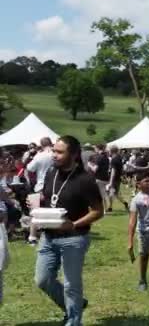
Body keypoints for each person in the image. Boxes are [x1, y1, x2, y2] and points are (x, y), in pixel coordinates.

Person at [35, 135, 104, 325]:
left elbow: (98, 211)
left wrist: (74, 224)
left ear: (74, 155)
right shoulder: (51, 173)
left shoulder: (85, 179)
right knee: (42, 279)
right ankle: (76, 304)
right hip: (48, 236)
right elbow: (49, 199)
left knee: (71, 285)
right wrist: (36, 204)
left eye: (59, 152)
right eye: (53, 151)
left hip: (74, 238)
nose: (54, 155)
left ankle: (74, 321)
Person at [25, 137, 54, 246]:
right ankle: (50, 234)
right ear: (51, 143)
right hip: (55, 185)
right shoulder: (56, 154)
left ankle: (32, 237)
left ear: (41, 145)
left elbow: (30, 168)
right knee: (52, 211)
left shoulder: (39, 156)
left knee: (35, 212)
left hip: (40, 186)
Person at [88, 144, 110, 212]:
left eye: (95, 149)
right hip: (106, 178)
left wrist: (89, 164)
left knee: (101, 195)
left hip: (99, 178)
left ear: (97, 149)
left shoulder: (99, 158)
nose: (95, 150)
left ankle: (104, 210)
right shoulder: (106, 157)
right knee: (103, 194)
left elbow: (95, 169)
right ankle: (105, 209)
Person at [107, 146, 129, 212]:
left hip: (114, 179)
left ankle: (110, 207)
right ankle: (125, 203)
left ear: (111, 151)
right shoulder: (119, 158)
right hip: (118, 178)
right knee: (115, 193)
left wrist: (110, 181)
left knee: (111, 193)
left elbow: (113, 171)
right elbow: (121, 169)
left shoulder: (114, 159)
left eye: (109, 151)